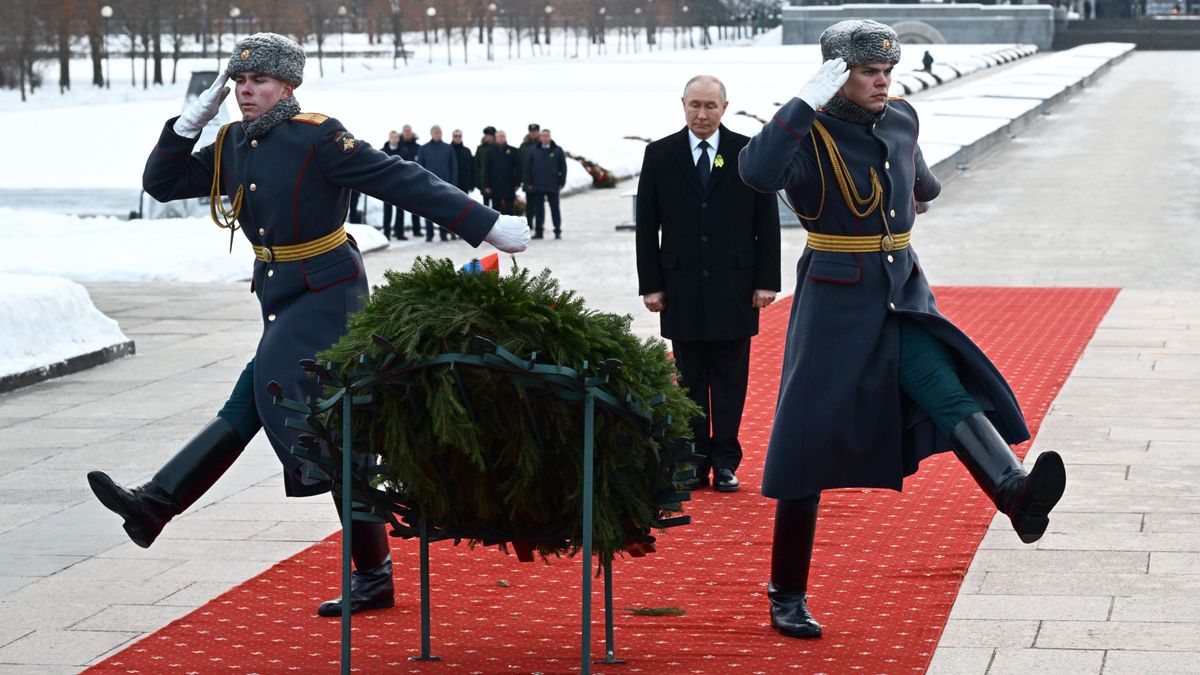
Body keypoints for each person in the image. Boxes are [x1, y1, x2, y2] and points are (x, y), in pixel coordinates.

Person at [86, 32, 529, 619]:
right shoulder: (232, 143)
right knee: (270, 412)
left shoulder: (318, 135)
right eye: (239, 82)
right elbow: (161, 185)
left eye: (259, 82)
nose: (246, 91)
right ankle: (365, 572)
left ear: (287, 86)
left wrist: (484, 222)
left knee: (275, 399)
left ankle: (159, 503)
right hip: (279, 293)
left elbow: (400, 178)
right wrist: (187, 124)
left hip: (328, 295)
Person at [737, 19, 1066, 640]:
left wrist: (918, 185)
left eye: (887, 69)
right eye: (868, 71)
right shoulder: (808, 131)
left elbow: (920, 183)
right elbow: (755, 174)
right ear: (837, 77)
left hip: (900, 291)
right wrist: (800, 105)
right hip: (834, 301)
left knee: (945, 389)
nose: (883, 80)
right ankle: (787, 593)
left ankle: (1016, 494)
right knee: (808, 443)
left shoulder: (901, 117)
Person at [635, 74, 781, 494]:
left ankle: (726, 461)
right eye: (694, 105)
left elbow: (765, 223)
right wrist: (652, 284)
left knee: (731, 379)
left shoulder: (747, 153)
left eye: (710, 106)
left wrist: (765, 281)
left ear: (724, 107)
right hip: (680, 288)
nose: (702, 114)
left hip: (735, 287)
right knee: (690, 379)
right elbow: (648, 226)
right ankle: (694, 461)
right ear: (682, 104)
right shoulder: (660, 154)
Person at [415, 125, 459, 241]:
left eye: (439, 132)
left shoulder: (448, 148)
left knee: (444, 210)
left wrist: (453, 183)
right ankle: (429, 235)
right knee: (428, 210)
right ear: (431, 134)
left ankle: (443, 234)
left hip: (445, 184)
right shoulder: (424, 148)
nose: (437, 134)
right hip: (428, 184)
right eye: (435, 132)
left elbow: (453, 167)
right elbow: (419, 167)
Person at [527, 128, 568, 239]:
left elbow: (563, 167)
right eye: (543, 136)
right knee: (538, 210)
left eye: (547, 136)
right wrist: (529, 182)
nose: (545, 138)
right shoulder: (534, 150)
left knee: (555, 208)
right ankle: (539, 231)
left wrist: (562, 181)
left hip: (552, 184)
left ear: (550, 137)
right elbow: (529, 168)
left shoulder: (557, 150)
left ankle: (557, 230)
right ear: (540, 137)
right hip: (538, 184)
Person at [484, 130, 522, 215]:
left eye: (503, 136)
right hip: (495, 185)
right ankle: (496, 227)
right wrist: (487, 185)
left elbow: (518, 169)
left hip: (509, 185)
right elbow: (487, 169)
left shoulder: (513, 151)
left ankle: (511, 227)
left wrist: (517, 183)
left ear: (505, 137)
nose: (501, 138)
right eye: (499, 136)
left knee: (510, 209)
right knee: (495, 210)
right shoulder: (490, 152)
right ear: (496, 138)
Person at [379, 129, 408, 241]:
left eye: (396, 137)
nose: (394, 139)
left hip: (400, 184)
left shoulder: (404, 151)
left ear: (398, 139)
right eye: (392, 137)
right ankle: (387, 233)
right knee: (387, 210)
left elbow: (408, 166)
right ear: (389, 138)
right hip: (387, 184)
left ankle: (399, 232)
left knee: (400, 210)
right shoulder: (382, 151)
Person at [397, 124, 422, 237]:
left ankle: (416, 230)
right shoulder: (399, 146)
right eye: (405, 131)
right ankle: (399, 231)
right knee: (399, 207)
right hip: (401, 179)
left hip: (414, 178)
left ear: (412, 132)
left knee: (416, 205)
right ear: (402, 132)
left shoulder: (417, 147)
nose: (407, 133)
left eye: (409, 131)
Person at [519, 123, 540, 230]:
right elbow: (519, 163)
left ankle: (539, 225)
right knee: (529, 204)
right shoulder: (524, 146)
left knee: (539, 204)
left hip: (540, 180)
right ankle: (529, 224)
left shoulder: (542, 145)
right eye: (531, 131)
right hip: (527, 179)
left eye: (535, 131)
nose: (533, 133)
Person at [450, 129, 475, 201]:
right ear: (452, 137)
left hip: (465, 184)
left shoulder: (467, 151)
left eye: (459, 136)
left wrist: (472, 184)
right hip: (451, 184)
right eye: (456, 136)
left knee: (464, 205)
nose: (458, 137)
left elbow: (472, 168)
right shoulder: (447, 150)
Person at [475, 125, 496, 208]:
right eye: (487, 135)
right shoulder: (480, 148)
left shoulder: (498, 148)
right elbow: (477, 166)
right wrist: (477, 181)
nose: (488, 137)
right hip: (483, 180)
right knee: (485, 205)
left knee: (497, 205)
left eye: (490, 135)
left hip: (496, 181)